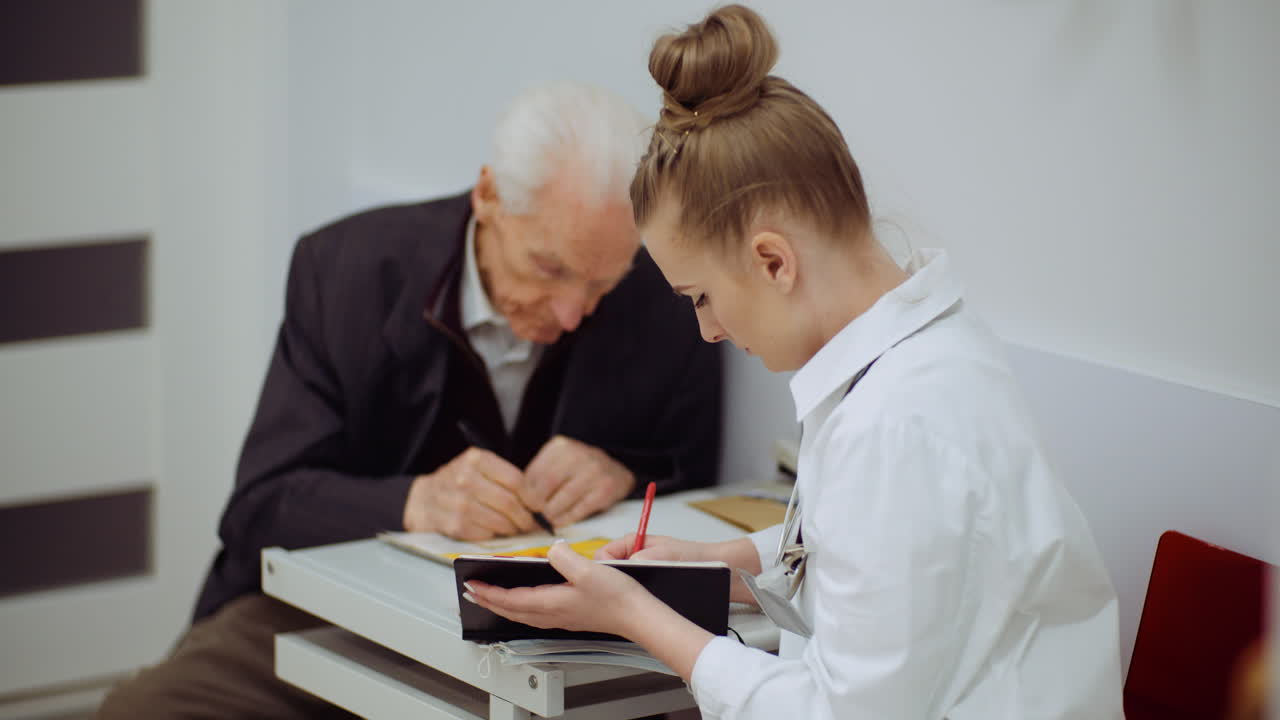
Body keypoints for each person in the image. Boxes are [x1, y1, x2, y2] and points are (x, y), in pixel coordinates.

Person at [465, 7, 1125, 719]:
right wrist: (737, 565)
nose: (709, 331)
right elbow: (892, 567)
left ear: (773, 261)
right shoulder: (917, 361)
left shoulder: (897, 424)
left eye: (702, 297)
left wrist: (637, 616)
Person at [96, 82, 722, 719]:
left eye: (599, 284)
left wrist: (622, 470)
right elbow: (261, 507)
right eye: (548, 268)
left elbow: (699, 477)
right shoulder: (346, 272)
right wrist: (416, 501)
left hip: (552, 646)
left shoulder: (668, 293)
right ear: (488, 197)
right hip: (326, 612)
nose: (570, 313)